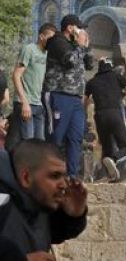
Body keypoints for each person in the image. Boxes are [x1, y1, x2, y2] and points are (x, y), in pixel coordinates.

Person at [0, 140, 88, 261]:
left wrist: (73, 215)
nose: (63, 184)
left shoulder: (37, 202)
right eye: (54, 176)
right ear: (26, 178)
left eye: (64, 176)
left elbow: (48, 231)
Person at [43, 14, 93, 177]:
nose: (82, 31)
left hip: (76, 98)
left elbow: (89, 65)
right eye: (80, 28)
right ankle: (51, 175)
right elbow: (70, 61)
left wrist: (86, 47)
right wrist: (80, 46)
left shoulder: (74, 45)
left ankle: (72, 177)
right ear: (70, 28)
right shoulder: (57, 42)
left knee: (76, 138)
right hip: (58, 94)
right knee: (56, 137)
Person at [83, 59, 126, 182]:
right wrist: (122, 92)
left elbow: (84, 102)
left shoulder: (92, 81)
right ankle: (113, 160)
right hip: (115, 114)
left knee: (107, 148)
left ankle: (109, 176)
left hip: (99, 116)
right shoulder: (117, 77)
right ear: (111, 67)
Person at [10, 23, 56, 149]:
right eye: (50, 38)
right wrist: (24, 103)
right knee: (29, 145)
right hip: (25, 103)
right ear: (41, 36)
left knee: (40, 146)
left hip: (38, 105)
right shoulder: (29, 49)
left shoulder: (48, 54)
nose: (52, 42)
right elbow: (16, 75)